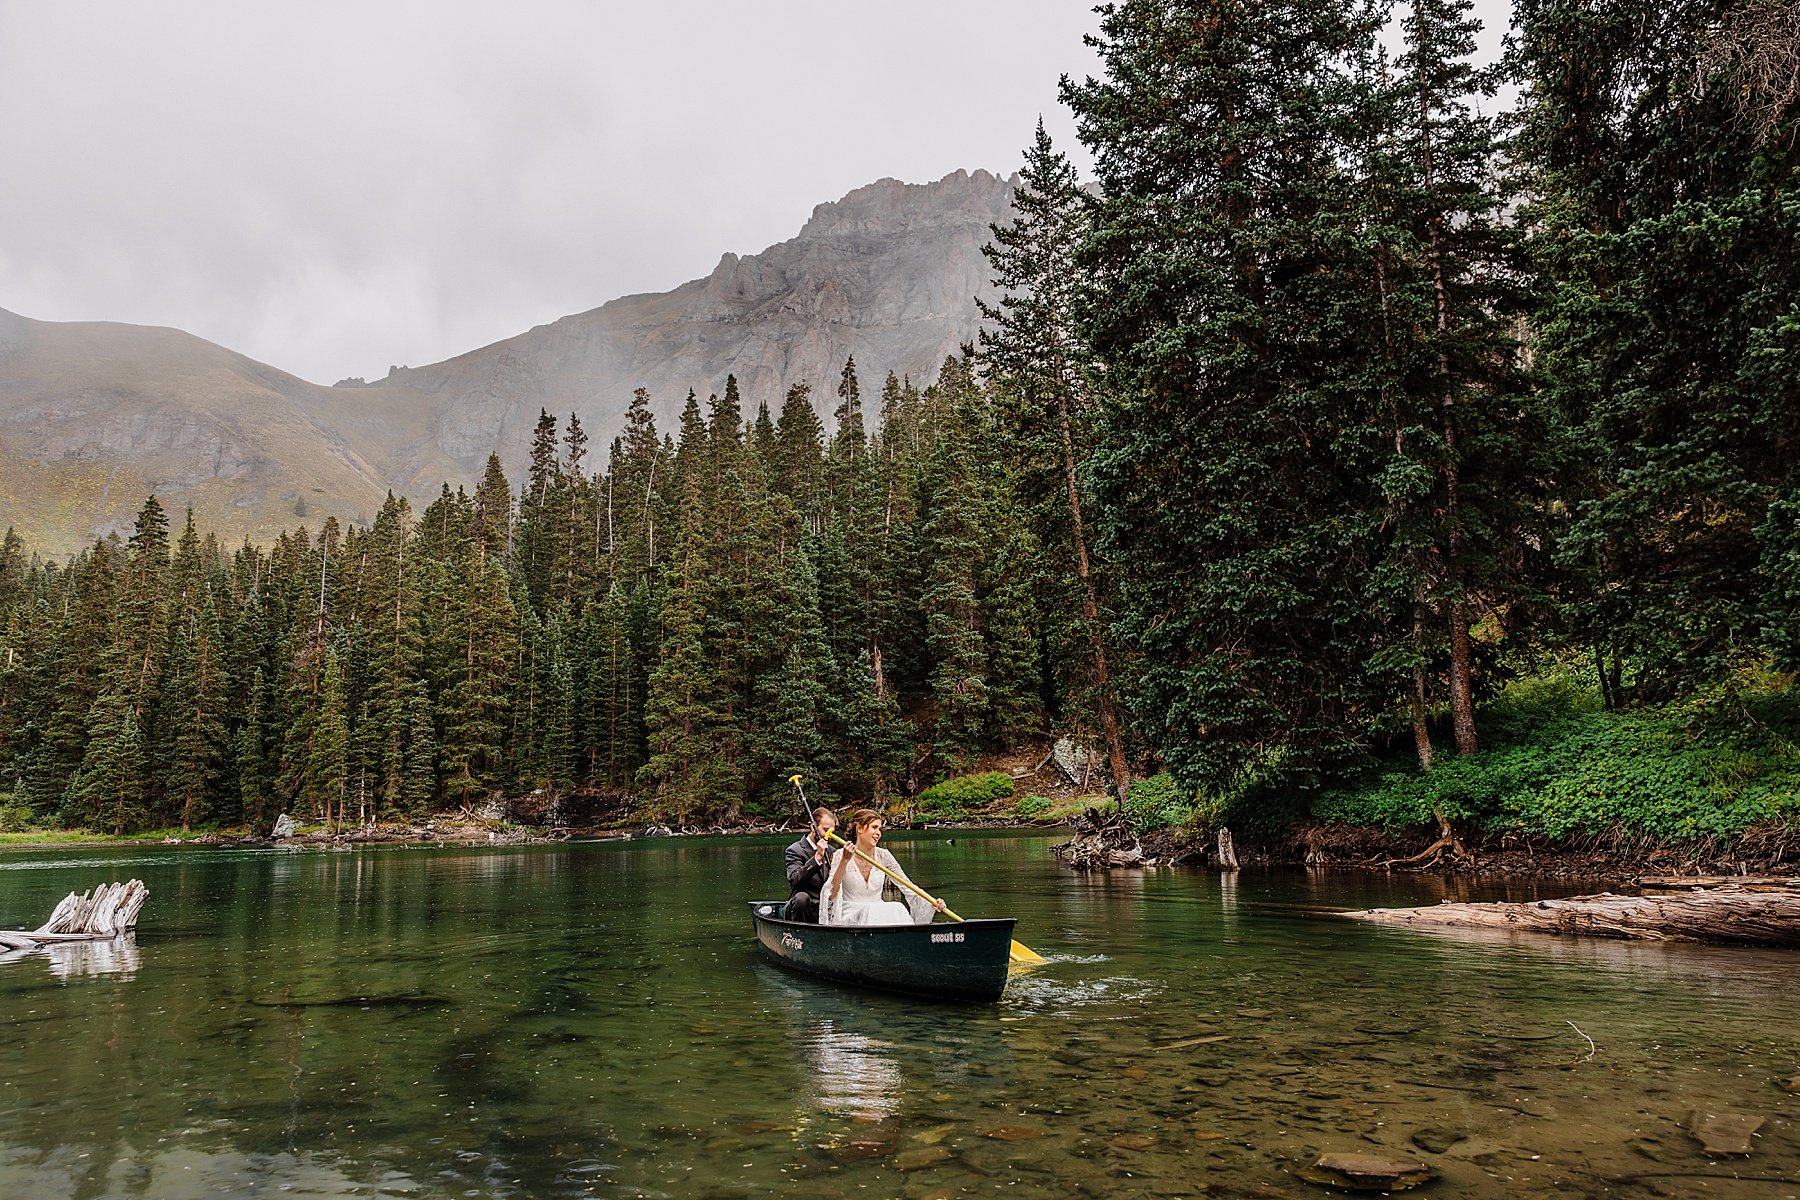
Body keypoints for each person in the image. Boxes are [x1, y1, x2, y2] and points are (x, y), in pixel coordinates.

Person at [822, 809, 947, 926]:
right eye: (874, 827)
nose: (878, 833)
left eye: (880, 829)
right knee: (872, 910)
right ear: (859, 828)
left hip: (877, 911)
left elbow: (907, 885)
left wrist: (931, 902)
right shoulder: (840, 855)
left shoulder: (884, 855)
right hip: (850, 914)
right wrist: (844, 861)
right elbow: (832, 894)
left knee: (897, 907)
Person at [783, 807, 837, 923]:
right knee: (801, 898)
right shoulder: (795, 850)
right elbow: (795, 880)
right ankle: (799, 934)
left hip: (825, 907)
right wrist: (817, 857)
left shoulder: (833, 851)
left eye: (831, 832)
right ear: (813, 827)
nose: (828, 835)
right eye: (825, 830)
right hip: (802, 908)